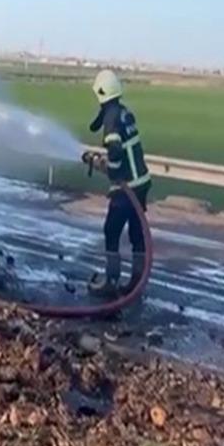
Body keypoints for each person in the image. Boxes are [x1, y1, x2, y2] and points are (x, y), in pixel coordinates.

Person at [85, 69, 152, 295]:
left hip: (127, 189)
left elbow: (115, 152)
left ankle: (111, 282)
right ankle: (137, 281)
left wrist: (107, 168)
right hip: (141, 183)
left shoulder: (111, 118)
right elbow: (123, 151)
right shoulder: (122, 112)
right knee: (137, 233)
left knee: (111, 230)